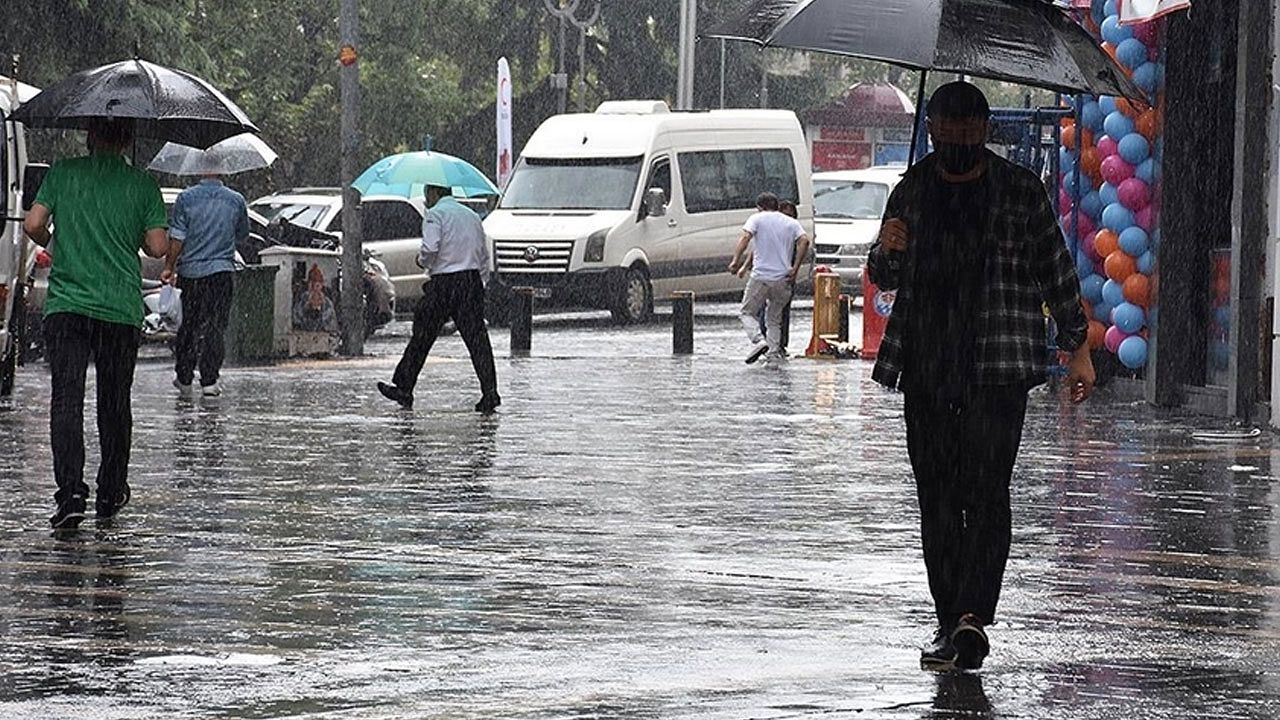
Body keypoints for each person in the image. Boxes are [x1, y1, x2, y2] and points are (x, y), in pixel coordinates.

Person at [865, 82, 1095, 671]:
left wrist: (1079, 347)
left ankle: (971, 617)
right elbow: (884, 276)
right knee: (937, 498)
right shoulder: (912, 190)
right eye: (949, 127)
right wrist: (886, 249)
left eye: (971, 127)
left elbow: (1056, 272)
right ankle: (950, 618)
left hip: (997, 370)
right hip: (927, 368)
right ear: (934, 129)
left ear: (985, 130)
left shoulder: (1019, 191)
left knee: (987, 492)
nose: (960, 138)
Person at [22, 118, 170, 529]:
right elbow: (157, 247)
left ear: (89, 137)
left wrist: (59, 241)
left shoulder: (64, 173)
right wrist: (132, 232)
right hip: (119, 309)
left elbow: (33, 224)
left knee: (66, 400)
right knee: (114, 402)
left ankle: (70, 493)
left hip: (68, 305)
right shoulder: (142, 185)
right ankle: (110, 490)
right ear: (127, 139)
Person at [378, 184, 500, 413]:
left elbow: (431, 248)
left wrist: (421, 260)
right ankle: (490, 392)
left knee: (422, 336)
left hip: (444, 283)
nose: (426, 200)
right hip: (470, 281)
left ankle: (404, 386)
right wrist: (479, 283)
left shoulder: (435, 215)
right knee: (478, 341)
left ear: (433, 193)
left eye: (426, 195)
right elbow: (483, 254)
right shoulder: (472, 216)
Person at [162, 173, 250, 398]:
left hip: (191, 274)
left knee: (189, 326)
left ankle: (184, 377)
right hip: (221, 273)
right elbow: (242, 235)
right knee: (216, 327)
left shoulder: (186, 198)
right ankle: (210, 380)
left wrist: (169, 266)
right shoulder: (236, 200)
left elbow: (177, 238)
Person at [728, 192, 809, 364]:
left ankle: (759, 341)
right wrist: (795, 268)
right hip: (783, 278)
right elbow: (804, 241)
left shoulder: (756, 219)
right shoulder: (791, 223)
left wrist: (736, 261)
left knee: (746, 313)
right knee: (774, 319)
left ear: (760, 207)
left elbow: (745, 238)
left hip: (761, 276)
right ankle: (773, 353)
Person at [755, 199, 801, 352]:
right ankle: (767, 341)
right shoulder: (776, 231)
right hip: (768, 275)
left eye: (791, 216)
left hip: (784, 277)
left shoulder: (793, 231)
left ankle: (778, 344)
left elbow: (804, 245)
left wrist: (794, 270)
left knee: (781, 311)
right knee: (764, 310)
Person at [292, 264, 337, 332]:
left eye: (318, 285)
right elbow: (297, 320)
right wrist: (307, 307)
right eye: (312, 285)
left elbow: (330, 324)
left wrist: (320, 309)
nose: (315, 289)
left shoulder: (327, 304)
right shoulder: (302, 300)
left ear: (321, 285)